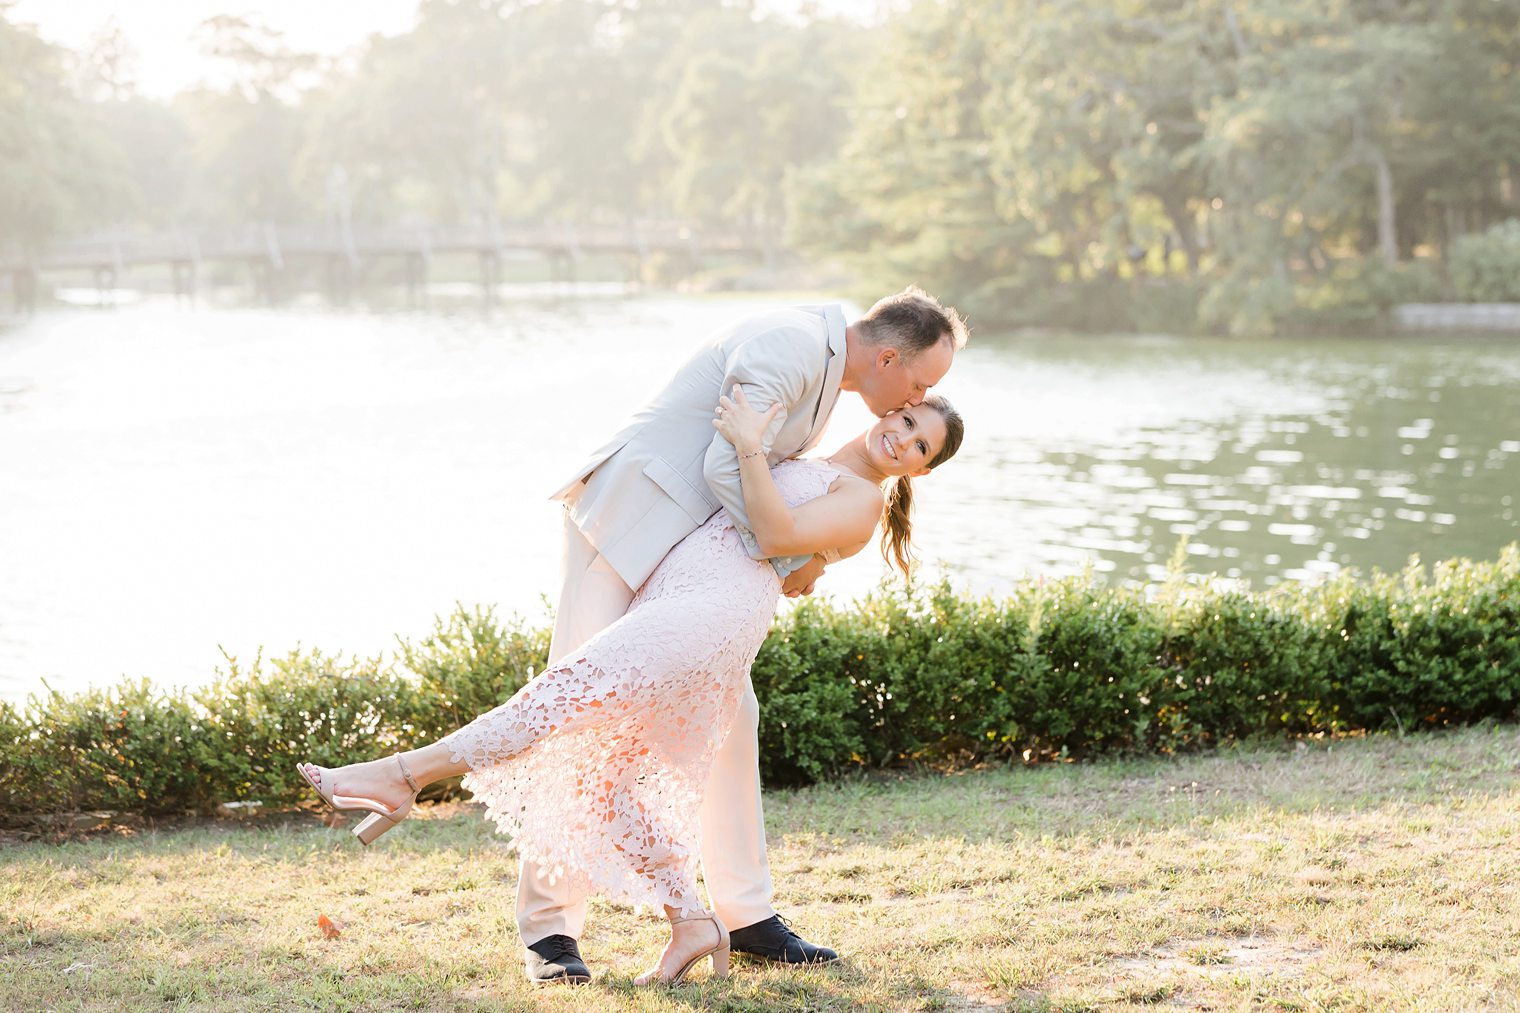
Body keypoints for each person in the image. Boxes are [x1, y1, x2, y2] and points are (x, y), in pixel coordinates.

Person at [308, 289, 967, 985]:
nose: (914, 401)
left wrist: (809, 554)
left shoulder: (837, 381)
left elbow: (800, 493)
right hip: (630, 525)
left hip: (698, 576)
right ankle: (551, 928)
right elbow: (728, 465)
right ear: (891, 358)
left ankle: (740, 915)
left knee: (733, 717)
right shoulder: (793, 345)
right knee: (567, 709)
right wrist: (786, 550)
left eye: (924, 410)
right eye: (922, 384)